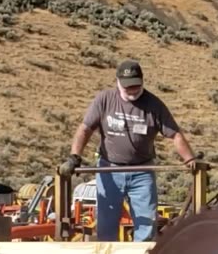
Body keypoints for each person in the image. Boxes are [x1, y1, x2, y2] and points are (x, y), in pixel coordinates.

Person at [59, 59, 198, 242]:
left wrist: (190, 160)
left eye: (136, 86)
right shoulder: (105, 100)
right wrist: (74, 157)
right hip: (109, 169)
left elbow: (175, 135)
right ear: (117, 82)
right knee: (106, 225)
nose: (132, 90)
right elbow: (85, 129)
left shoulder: (154, 105)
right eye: (127, 87)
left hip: (142, 172)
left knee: (146, 223)